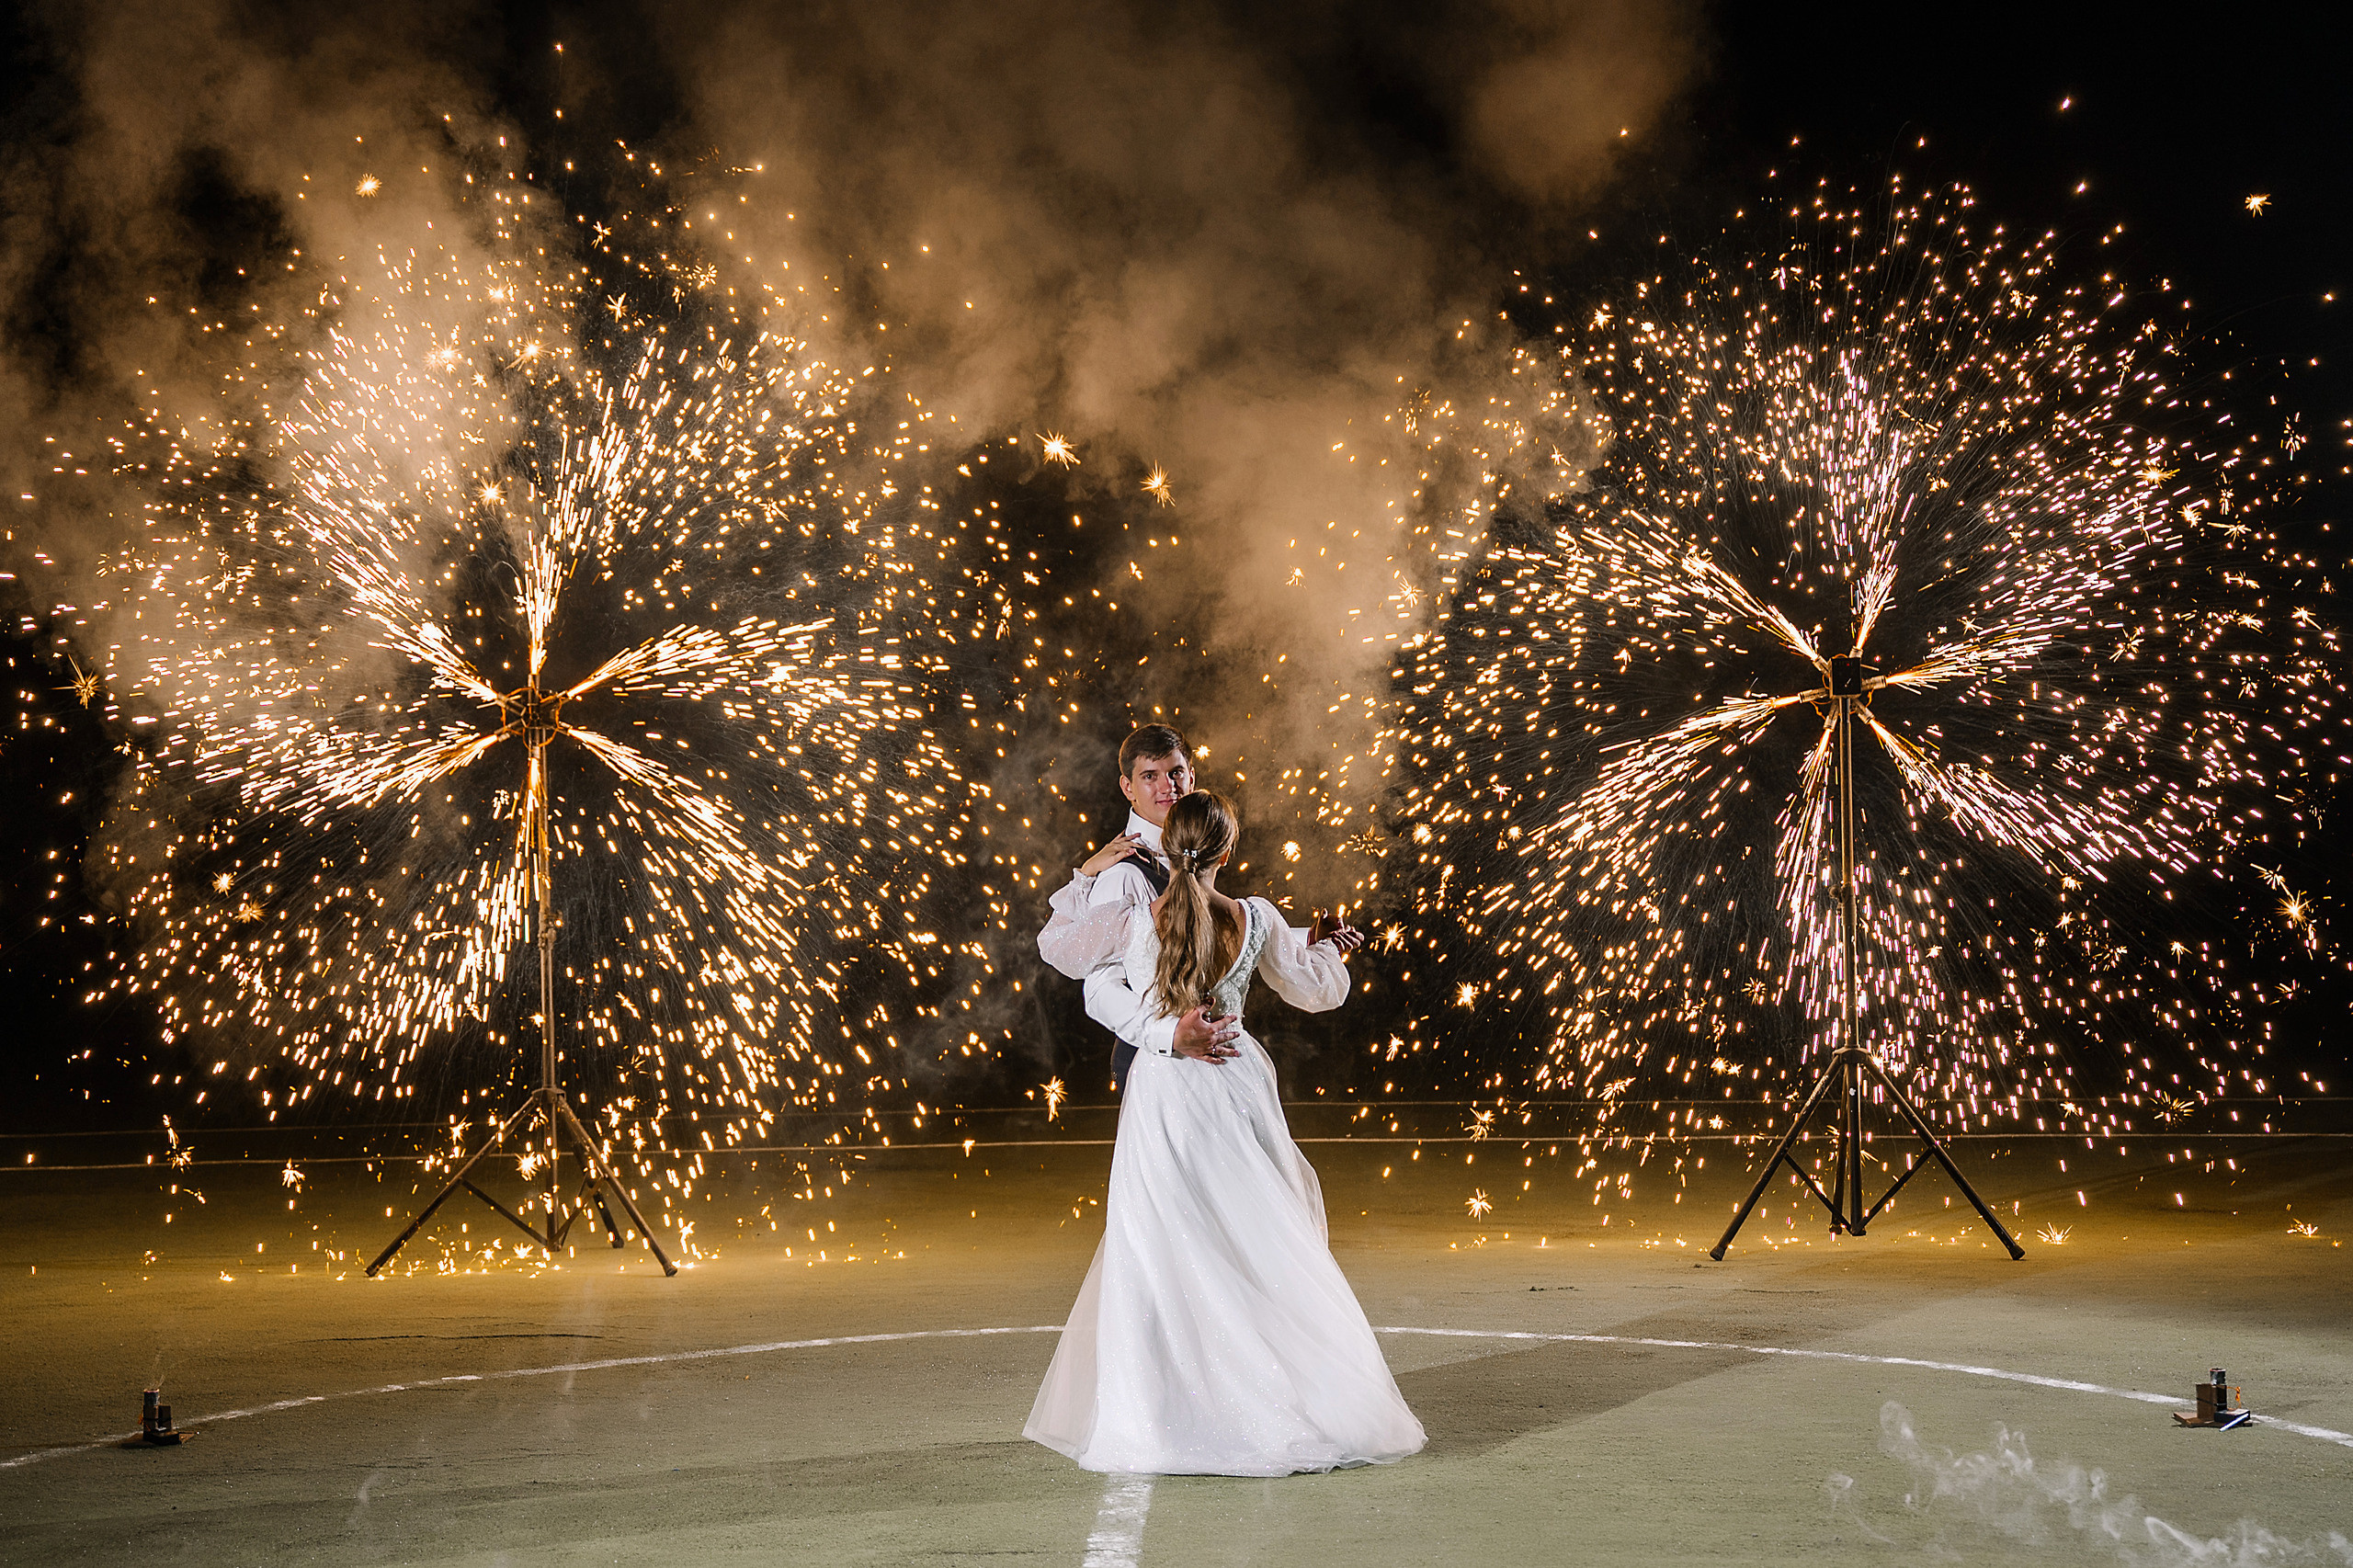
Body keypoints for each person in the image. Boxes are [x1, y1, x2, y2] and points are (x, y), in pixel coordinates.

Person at [1025, 790, 1426, 1476]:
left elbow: (1095, 992)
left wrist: (1165, 1034)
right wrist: (1329, 951)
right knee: (1253, 1242)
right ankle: (1274, 1399)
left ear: (1166, 846)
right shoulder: (1258, 917)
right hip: (1236, 1088)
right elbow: (1316, 991)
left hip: (1164, 1094)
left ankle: (1157, 1413)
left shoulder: (1134, 919)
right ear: (1228, 851)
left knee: (1156, 1250)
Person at [1038, 724, 1229, 1090]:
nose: (1166, 787)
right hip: (1156, 1062)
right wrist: (1169, 1034)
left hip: (1207, 1056)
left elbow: (1227, 931)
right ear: (1128, 788)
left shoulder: (1196, 850)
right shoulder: (1121, 875)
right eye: (1149, 776)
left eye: (1175, 772)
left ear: (1192, 775)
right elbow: (1100, 989)